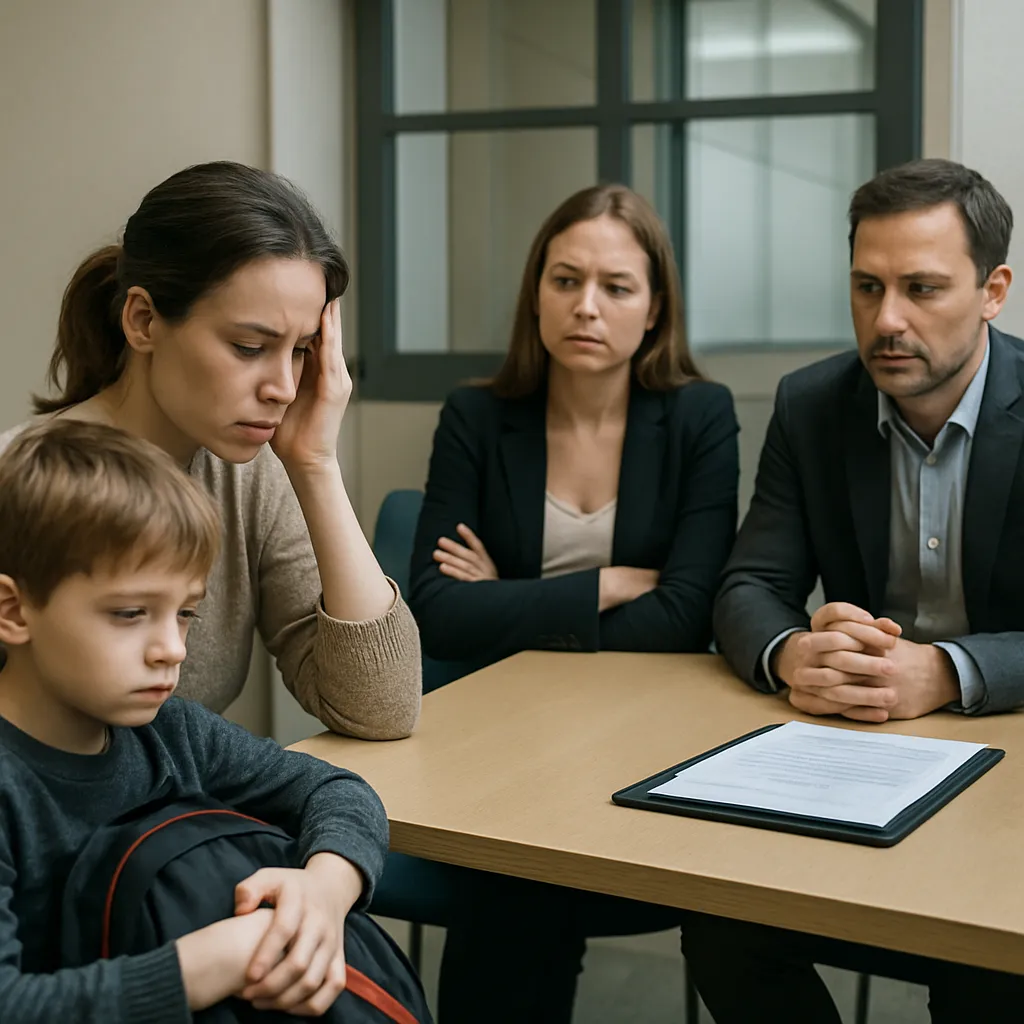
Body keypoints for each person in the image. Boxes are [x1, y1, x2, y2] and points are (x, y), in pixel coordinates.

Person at [692, 159, 1024, 1020]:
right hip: (853, 753)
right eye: (867, 287)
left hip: (1008, 761)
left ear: (993, 290)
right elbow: (749, 585)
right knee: (723, 929)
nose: (887, 320)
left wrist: (945, 671)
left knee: (987, 967)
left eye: (921, 288)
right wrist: (794, 650)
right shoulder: (813, 405)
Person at [407, 184, 740, 1021]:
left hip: (646, 729)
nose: (585, 306)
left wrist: (508, 600)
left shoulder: (701, 415)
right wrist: (603, 585)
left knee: (521, 889)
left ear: (655, 309)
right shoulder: (476, 417)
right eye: (564, 280)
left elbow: (687, 619)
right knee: (517, 875)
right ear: (536, 292)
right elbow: (437, 613)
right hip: (504, 729)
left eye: (616, 287)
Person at [0, 161, 420, 739]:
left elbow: (382, 708)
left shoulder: (251, 474)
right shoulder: (19, 479)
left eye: (300, 350)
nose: (285, 388)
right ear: (143, 320)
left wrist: (316, 467)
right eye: (250, 347)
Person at [0, 419, 391, 1021]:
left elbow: (336, 788)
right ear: (14, 610)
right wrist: (210, 962)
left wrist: (325, 889)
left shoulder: (171, 733)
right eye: (130, 613)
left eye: (184, 613)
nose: (172, 649)